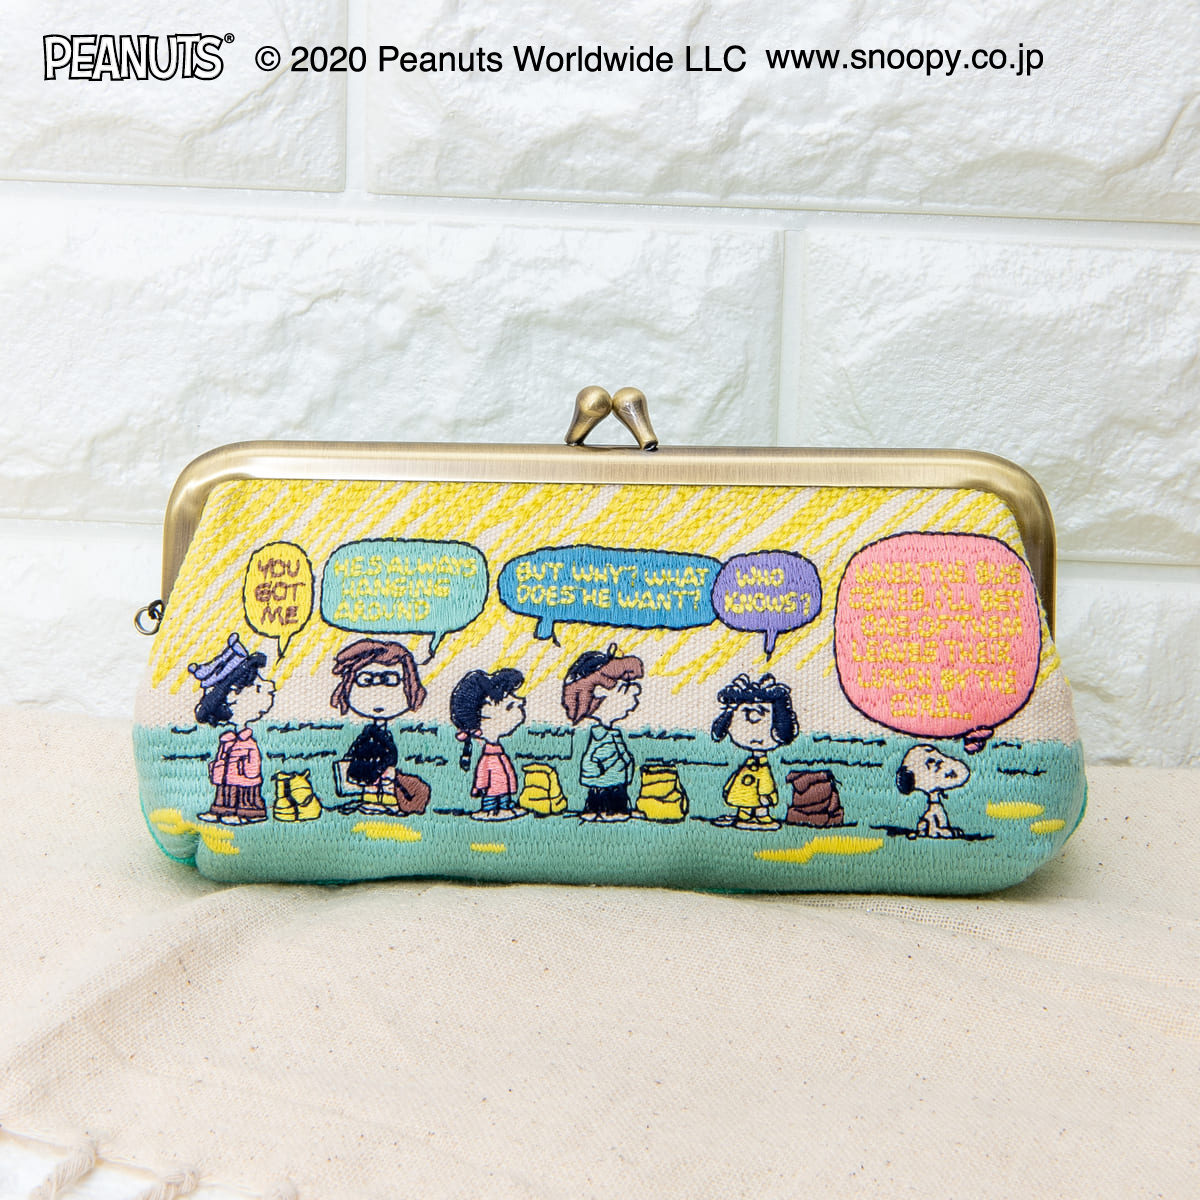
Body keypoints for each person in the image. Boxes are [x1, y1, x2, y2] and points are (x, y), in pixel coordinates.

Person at [329, 638, 429, 816]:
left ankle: (385, 802)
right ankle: (372, 802)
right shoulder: (369, 734)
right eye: (365, 680)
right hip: (369, 769)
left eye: (390, 680)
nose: (379, 692)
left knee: (384, 784)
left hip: (381, 770)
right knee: (373, 785)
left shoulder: (380, 734)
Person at [190, 632, 275, 825]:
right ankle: (221, 810)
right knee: (225, 794)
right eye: (258, 687)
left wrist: (249, 775)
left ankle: (246, 813)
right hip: (228, 780)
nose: (270, 688)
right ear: (232, 697)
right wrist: (217, 773)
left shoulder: (245, 741)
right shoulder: (228, 740)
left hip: (245, 782)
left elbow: (253, 763)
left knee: (246, 797)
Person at [561, 644, 643, 821]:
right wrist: (594, 778)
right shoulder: (600, 737)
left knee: (617, 796)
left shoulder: (613, 735)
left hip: (618, 779)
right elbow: (589, 761)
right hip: (602, 781)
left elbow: (623, 755)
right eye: (625, 689)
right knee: (599, 797)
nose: (636, 693)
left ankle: (619, 810)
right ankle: (597, 811)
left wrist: (627, 768)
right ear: (600, 692)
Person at [710, 673, 797, 830]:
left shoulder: (761, 767)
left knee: (758, 804)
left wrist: (766, 796)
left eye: (762, 714)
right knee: (745, 802)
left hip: (756, 793)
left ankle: (762, 816)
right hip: (744, 793)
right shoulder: (750, 764)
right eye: (745, 715)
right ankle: (744, 816)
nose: (753, 724)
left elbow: (765, 783)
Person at [449, 668, 527, 821]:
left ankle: (505, 806)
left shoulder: (498, 753)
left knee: (502, 794)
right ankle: (490, 809)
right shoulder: (490, 757)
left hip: (503, 788)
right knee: (492, 795)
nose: (521, 701)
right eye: (508, 706)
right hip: (491, 790)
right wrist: (479, 787)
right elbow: (483, 773)